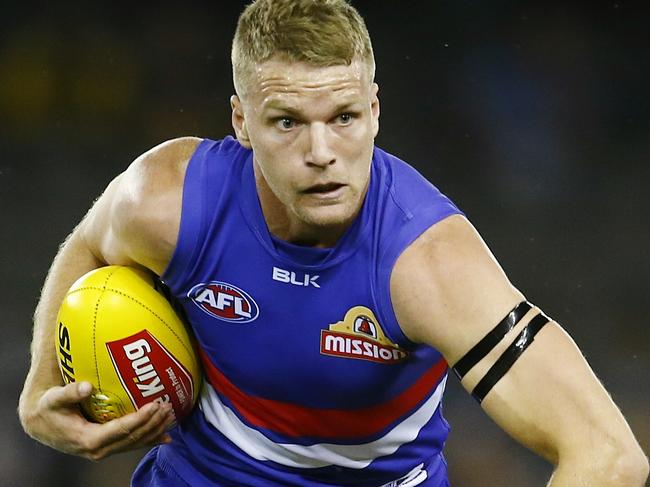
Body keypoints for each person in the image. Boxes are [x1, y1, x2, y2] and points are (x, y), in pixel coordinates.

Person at [18, 1, 648, 486]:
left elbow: (610, 456)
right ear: (241, 122)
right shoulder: (168, 203)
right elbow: (88, 243)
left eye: (343, 118)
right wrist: (38, 388)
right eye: (287, 122)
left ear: (375, 110)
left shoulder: (427, 263)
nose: (321, 154)